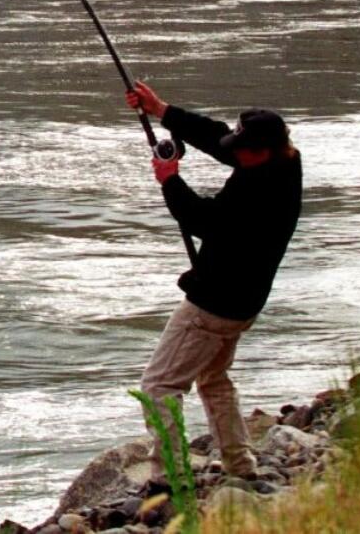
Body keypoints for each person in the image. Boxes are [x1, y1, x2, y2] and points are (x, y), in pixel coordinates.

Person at [126, 81, 302, 481]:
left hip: (213, 306)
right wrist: (162, 110)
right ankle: (241, 466)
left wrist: (170, 179)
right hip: (245, 303)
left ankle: (169, 478)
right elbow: (215, 137)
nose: (233, 153)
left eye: (242, 150)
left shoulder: (259, 195)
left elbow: (204, 221)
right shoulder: (285, 163)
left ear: (261, 151)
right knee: (213, 378)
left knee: (158, 387)